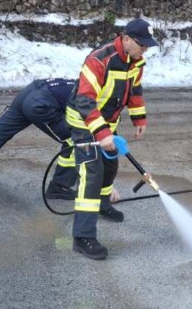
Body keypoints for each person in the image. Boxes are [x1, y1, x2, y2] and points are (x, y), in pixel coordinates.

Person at [46, 18, 157, 260]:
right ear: (126, 39)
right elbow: (85, 100)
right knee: (92, 173)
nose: (146, 49)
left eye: (148, 46)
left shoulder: (136, 61)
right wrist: (102, 133)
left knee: (110, 164)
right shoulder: (100, 59)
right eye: (143, 44)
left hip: (107, 123)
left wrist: (139, 118)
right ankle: (83, 237)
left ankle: (102, 203)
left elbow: (134, 91)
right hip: (84, 123)